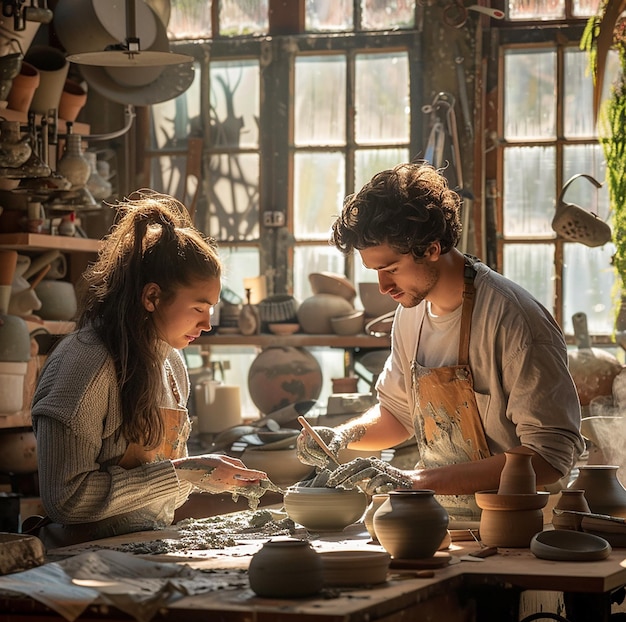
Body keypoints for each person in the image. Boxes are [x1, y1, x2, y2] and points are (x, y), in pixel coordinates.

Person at [297, 162, 585, 520]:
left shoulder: (514, 320)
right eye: (375, 273)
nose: (384, 287)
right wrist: (342, 435)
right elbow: (397, 416)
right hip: (443, 520)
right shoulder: (411, 312)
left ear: (432, 248)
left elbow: (549, 458)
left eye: (391, 268)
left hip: (517, 525)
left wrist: (416, 481)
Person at [30, 191, 275, 548]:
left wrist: (202, 476)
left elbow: (166, 494)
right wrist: (185, 473)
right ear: (152, 297)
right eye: (198, 308)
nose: (208, 324)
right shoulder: (84, 365)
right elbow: (66, 499)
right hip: (78, 560)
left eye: (212, 309)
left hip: (146, 547)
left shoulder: (172, 362)